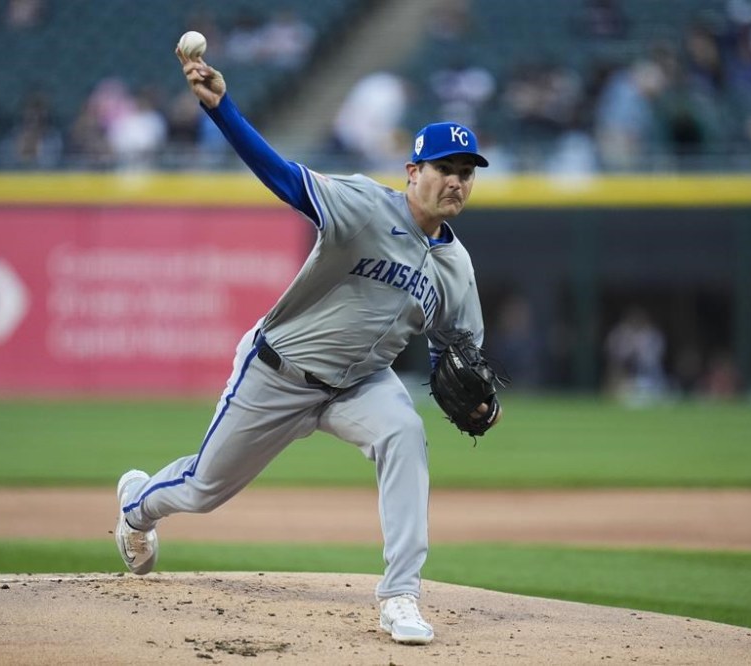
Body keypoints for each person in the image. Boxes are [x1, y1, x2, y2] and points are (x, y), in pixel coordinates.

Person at [114, 43, 502, 646]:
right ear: (412, 173)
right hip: (277, 371)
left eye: (465, 172)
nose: (455, 181)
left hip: (360, 384)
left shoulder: (456, 267)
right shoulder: (363, 206)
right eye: (444, 168)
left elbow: (460, 352)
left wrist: (481, 401)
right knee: (204, 489)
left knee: (403, 434)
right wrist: (223, 110)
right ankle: (137, 505)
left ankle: (400, 595)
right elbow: (282, 177)